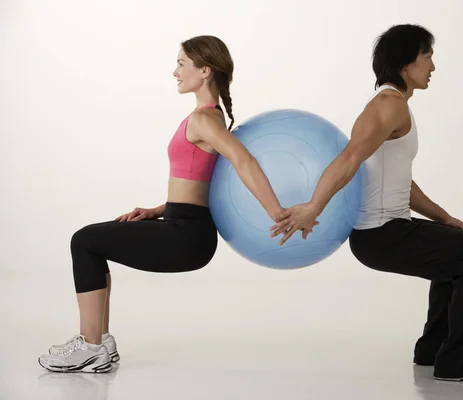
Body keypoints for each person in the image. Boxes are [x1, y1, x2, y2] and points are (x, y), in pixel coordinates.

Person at [38, 35, 298, 373]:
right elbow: (200, 182)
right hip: (180, 223)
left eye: (181, 63)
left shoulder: (205, 120)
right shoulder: (208, 117)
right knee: (93, 243)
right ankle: (98, 344)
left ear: (204, 70)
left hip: (187, 236)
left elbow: (244, 161)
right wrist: (157, 210)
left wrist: (277, 212)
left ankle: (90, 346)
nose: (174, 72)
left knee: (84, 241)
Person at [270, 24, 463, 382]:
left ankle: (431, 351)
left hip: (392, 228)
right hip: (381, 235)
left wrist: (445, 218)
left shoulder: (396, 107)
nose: (433, 66)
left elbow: (401, 182)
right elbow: (350, 157)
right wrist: (314, 207)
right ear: (404, 65)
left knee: (460, 252)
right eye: (426, 56)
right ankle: (459, 364)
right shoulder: (387, 106)